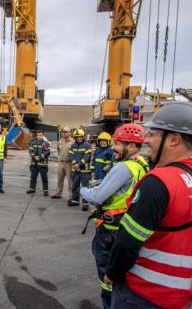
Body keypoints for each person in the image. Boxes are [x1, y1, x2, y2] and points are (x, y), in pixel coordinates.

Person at [104, 102, 192, 309]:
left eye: (153, 134)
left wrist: (112, 273)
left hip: (144, 293)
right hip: (183, 294)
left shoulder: (158, 182)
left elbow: (127, 242)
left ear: (174, 139)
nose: (146, 139)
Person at [80, 123, 149, 309]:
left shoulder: (122, 168)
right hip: (126, 228)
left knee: (107, 280)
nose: (112, 147)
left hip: (110, 233)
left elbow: (97, 196)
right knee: (122, 277)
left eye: (117, 143)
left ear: (132, 146)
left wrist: (84, 190)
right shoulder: (142, 164)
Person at [68, 128, 92, 209]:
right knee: (75, 185)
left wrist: (79, 165)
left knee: (85, 187)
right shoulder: (73, 145)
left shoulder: (87, 145)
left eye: (80, 136)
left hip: (84, 170)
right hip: (75, 169)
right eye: (77, 136)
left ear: (83, 137)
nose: (78, 138)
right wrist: (75, 164)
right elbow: (71, 155)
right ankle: (75, 201)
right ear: (75, 137)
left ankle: (85, 204)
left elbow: (87, 156)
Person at [51, 126, 74, 199]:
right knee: (60, 179)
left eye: (66, 132)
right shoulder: (60, 141)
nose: (64, 133)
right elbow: (58, 151)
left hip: (69, 163)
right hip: (61, 163)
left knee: (70, 181)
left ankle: (71, 196)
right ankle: (58, 193)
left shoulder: (73, 142)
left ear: (70, 133)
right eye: (63, 132)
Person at [26, 130, 51, 196]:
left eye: (41, 135)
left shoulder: (46, 143)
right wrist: (34, 156)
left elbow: (47, 152)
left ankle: (46, 191)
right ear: (36, 136)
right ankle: (32, 189)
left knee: (44, 178)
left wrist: (40, 157)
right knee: (33, 177)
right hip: (34, 164)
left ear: (42, 135)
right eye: (38, 135)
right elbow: (30, 150)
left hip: (43, 164)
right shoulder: (33, 143)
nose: (39, 136)